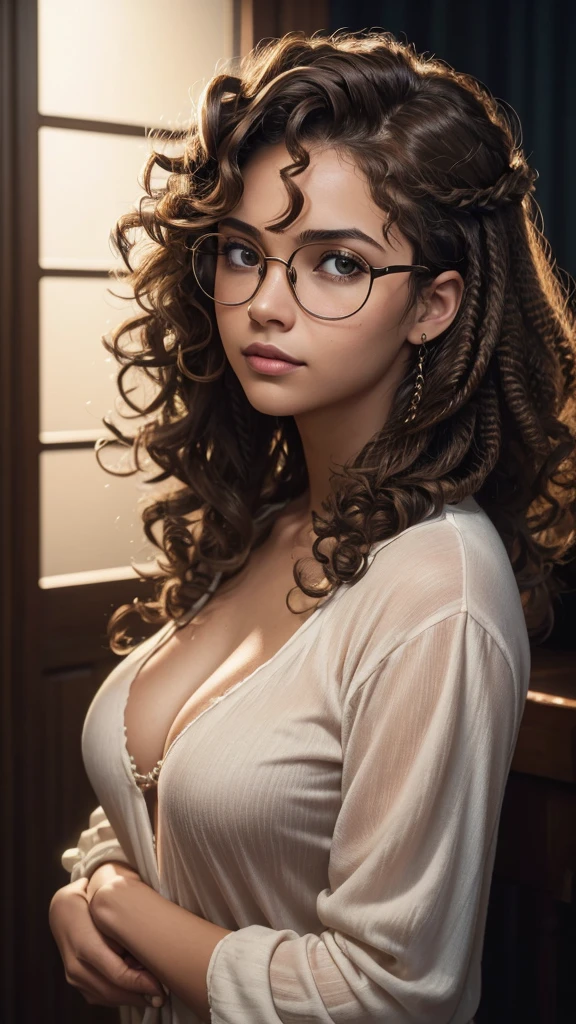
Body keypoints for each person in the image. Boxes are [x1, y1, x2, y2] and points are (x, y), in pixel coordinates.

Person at [49, 28, 576, 1024]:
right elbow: (174, 801)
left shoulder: (439, 590)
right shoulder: (277, 521)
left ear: (433, 304)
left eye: (335, 263)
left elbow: (388, 996)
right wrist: (85, 884)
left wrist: (119, 903)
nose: (265, 304)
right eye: (244, 253)